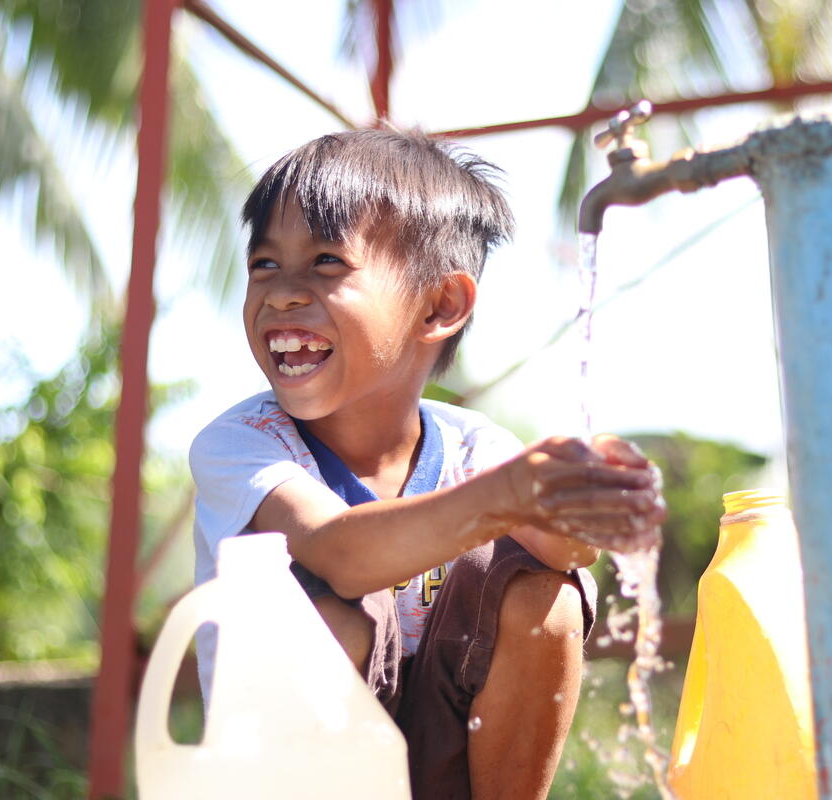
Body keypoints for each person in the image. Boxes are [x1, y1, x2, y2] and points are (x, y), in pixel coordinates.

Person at [189, 128, 665, 800]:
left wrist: (579, 497)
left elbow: (566, 553)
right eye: (264, 264)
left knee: (546, 599)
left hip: (437, 765)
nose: (282, 293)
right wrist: (508, 497)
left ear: (440, 305)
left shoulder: (475, 448)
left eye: (326, 262)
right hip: (278, 770)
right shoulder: (243, 442)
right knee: (333, 617)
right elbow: (340, 551)